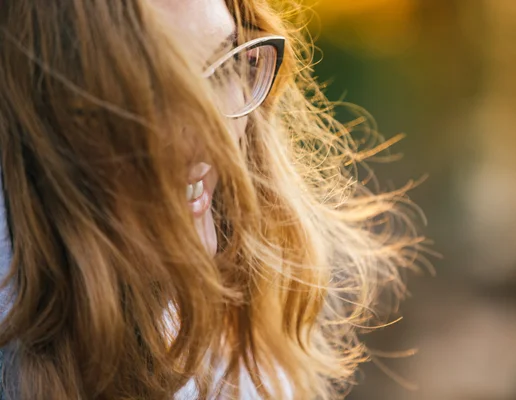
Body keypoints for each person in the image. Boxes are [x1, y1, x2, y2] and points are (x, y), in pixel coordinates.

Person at [0, 0, 418, 398]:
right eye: (155, 95)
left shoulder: (239, 362)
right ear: (47, 120)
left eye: (221, 69)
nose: (212, 140)